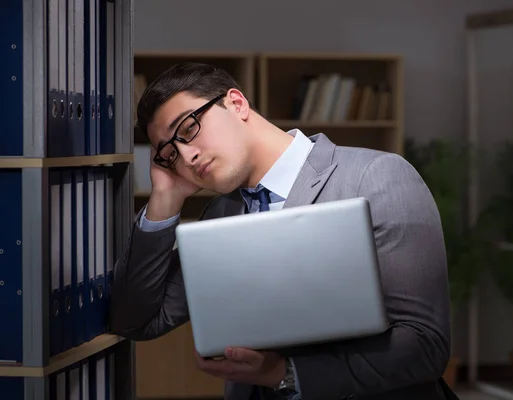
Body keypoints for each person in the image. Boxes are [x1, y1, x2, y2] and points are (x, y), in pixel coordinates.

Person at [109, 62, 456, 400]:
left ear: (236, 103)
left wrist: (283, 373)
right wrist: (164, 200)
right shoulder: (221, 213)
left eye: (188, 130)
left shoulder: (377, 176)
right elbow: (136, 321)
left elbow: (425, 345)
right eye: (170, 153)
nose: (187, 157)